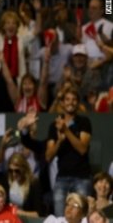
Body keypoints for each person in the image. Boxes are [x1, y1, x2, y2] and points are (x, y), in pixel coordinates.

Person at [45, 87, 92, 216]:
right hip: (61, 178)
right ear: (62, 103)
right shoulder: (54, 125)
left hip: (82, 178)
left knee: (82, 217)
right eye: (67, 99)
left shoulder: (84, 122)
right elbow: (48, 156)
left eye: (74, 99)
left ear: (78, 103)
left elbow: (82, 149)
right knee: (60, 218)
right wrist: (59, 141)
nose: (70, 102)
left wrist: (66, 130)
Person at [0, 153, 43, 217]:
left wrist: (18, 212)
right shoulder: (7, 180)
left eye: (17, 171)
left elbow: (38, 214)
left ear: (24, 169)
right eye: (10, 171)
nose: (13, 174)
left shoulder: (33, 184)